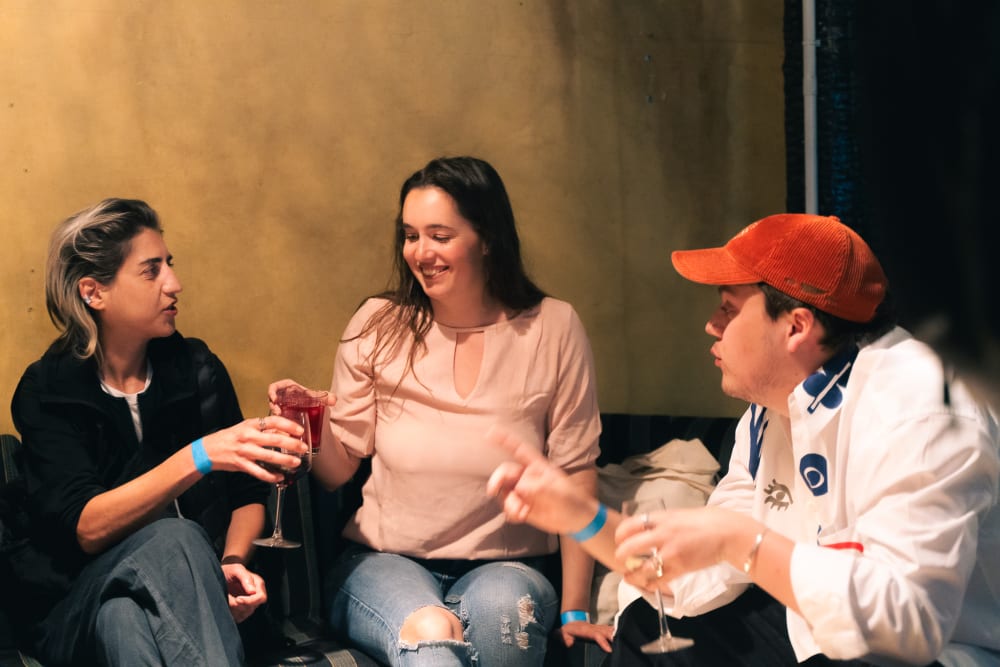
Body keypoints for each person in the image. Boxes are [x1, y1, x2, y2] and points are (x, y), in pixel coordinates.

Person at [487, 213, 1000, 666]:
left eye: (729, 310)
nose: (711, 326)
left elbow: (908, 622)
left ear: (796, 326)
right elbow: (684, 578)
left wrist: (743, 542)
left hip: (938, 649)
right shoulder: (769, 411)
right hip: (816, 632)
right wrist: (582, 516)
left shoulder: (921, 406)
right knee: (647, 627)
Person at [270, 156, 611, 665]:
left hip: (509, 567)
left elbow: (575, 476)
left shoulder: (553, 327)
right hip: (383, 564)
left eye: (439, 235)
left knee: (502, 622)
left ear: (487, 237)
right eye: (410, 235)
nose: (420, 252)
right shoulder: (377, 325)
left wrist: (576, 609)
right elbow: (338, 471)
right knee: (431, 631)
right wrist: (302, 420)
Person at [8, 198, 309, 666]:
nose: (174, 283)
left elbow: (247, 494)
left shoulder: (196, 369)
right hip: (74, 599)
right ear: (94, 292)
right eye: (151, 271)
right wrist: (199, 456)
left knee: (124, 620)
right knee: (176, 537)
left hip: (148, 605)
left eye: (169, 264)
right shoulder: (49, 389)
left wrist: (229, 564)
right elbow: (87, 527)